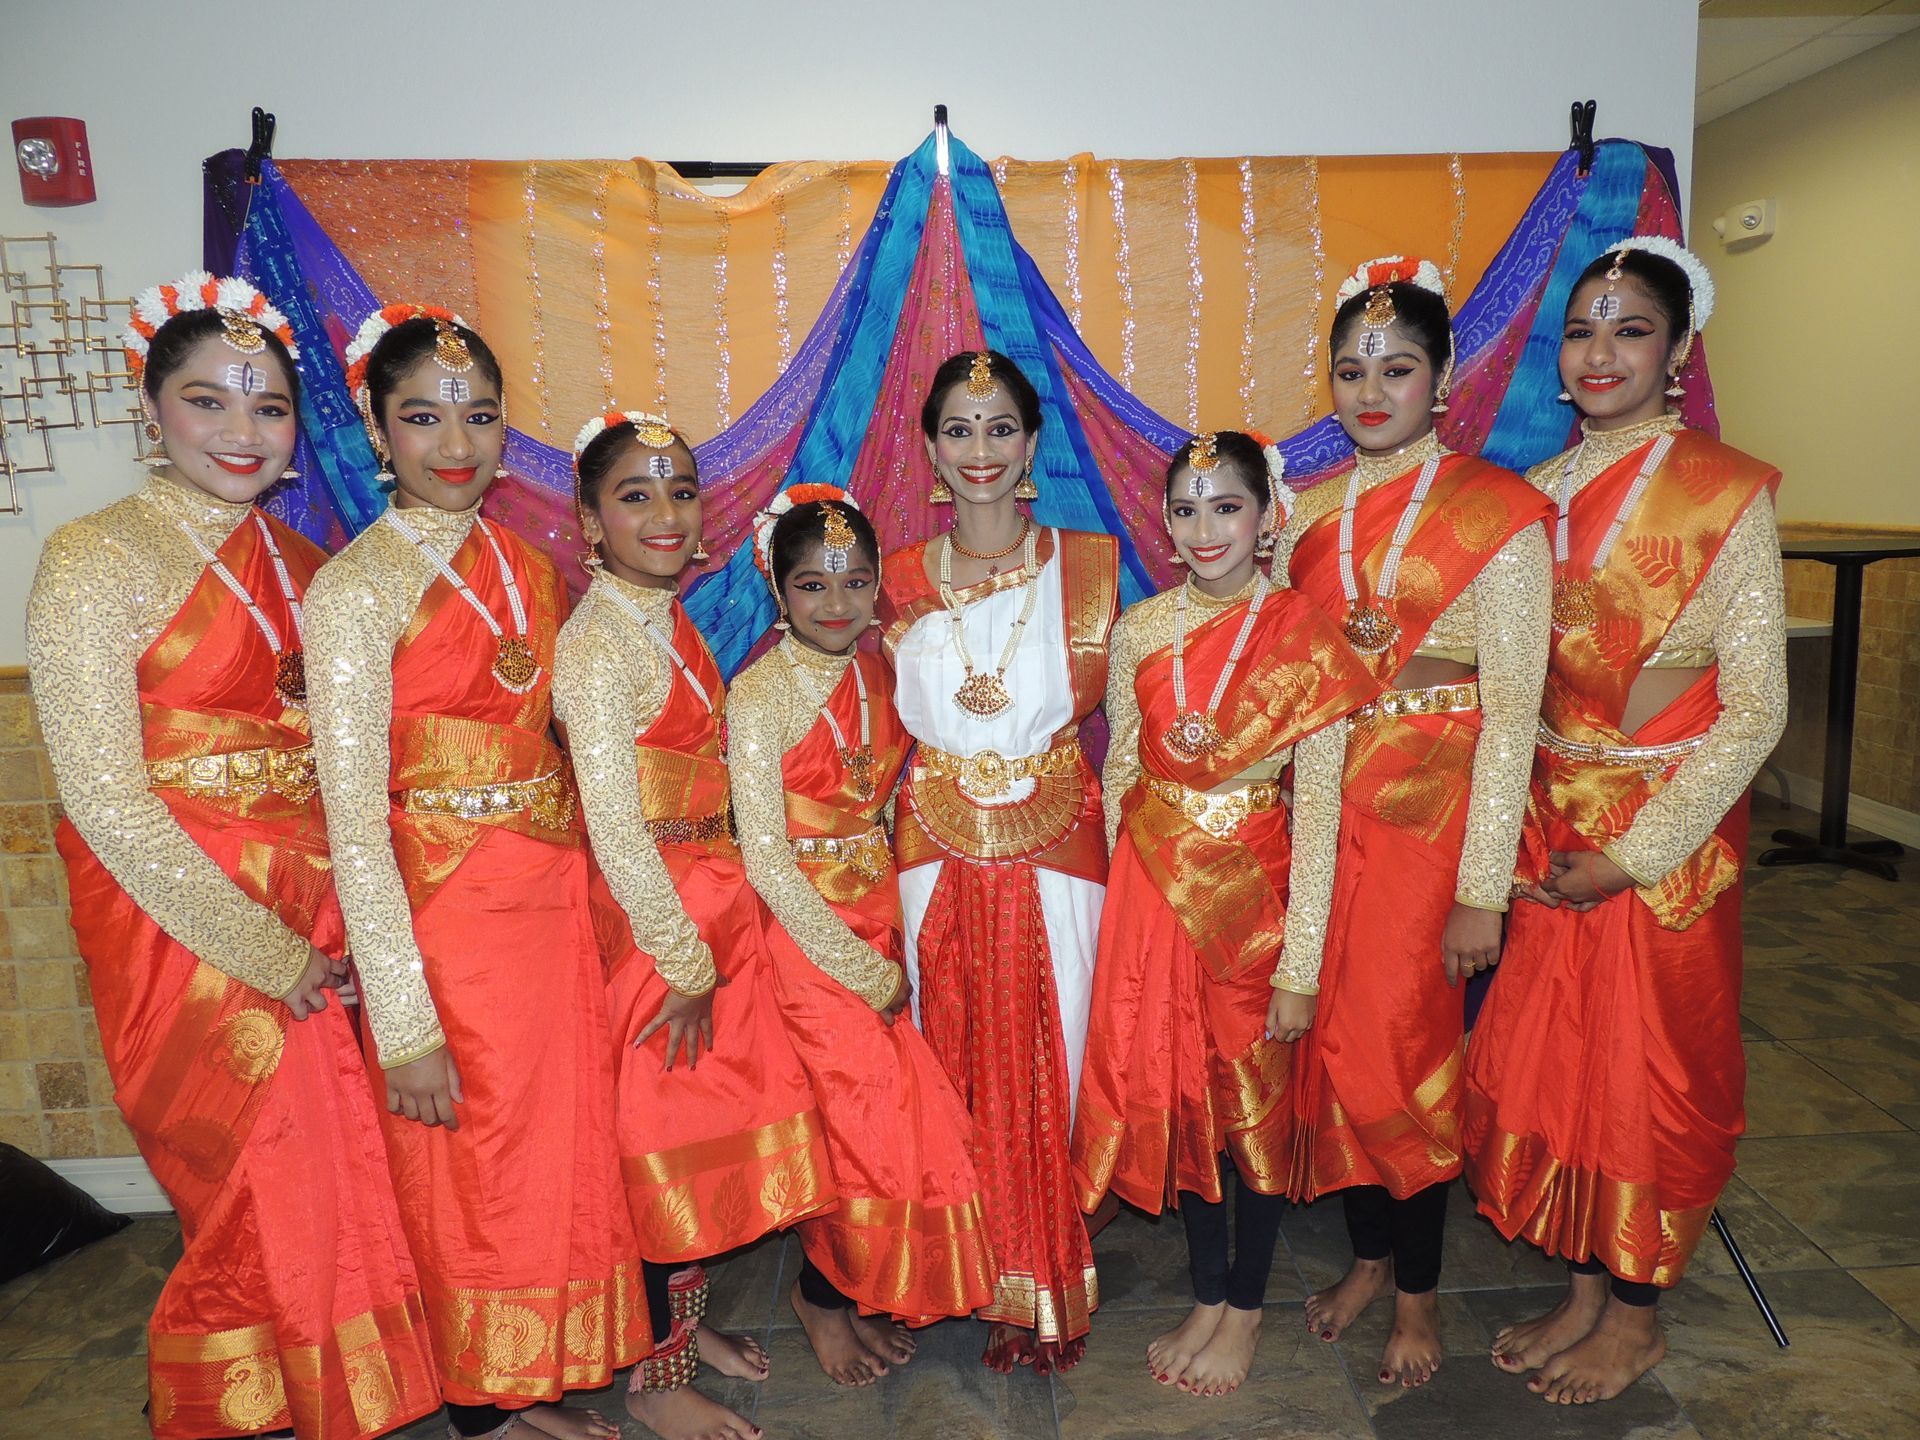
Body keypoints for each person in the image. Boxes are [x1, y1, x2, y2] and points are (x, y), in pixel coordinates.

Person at [27, 273, 440, 1440]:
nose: (242, 432)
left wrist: (347, 925)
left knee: (329, 1179)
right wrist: (264, 952)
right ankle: (228, 1406)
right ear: (150, 408)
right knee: (249, 1186)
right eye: (209, 402)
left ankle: (328, 1399)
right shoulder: (91, 559)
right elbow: (109, 800)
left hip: (318, 908)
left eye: (268, 408)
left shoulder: (306, 566)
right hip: (186, 930)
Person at [304, 309, 644, 1440]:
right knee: (462, 1157)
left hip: (546, 907)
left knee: (551, 1153)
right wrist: (401, 1020)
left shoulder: (530, 567)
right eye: (423, 416)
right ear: (375, 428)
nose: (456, 441)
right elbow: (353, 822)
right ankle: (479, 1406)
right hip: (441, 922)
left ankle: (528, 1378)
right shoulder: (353, 593)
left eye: (481, 415)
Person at [1463, 236, 1786, 1405]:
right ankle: (1589, 1289)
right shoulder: (1531, 496)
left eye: (1631, 329)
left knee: (1654, 1070)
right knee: (1565, 1068)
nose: (1602, 352)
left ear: (1679, 350)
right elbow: (1510, 692)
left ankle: (1637, 1313)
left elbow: (1755, 710)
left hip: (1662, 841)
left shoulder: (1725, 493)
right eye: (1583, 330)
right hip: (1553, 825)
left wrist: (1639, 855)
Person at [1272, 257, 1552, 1388]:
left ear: (1443, 380)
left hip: (1434, 826)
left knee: (1404, 1054)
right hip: (1325, 809)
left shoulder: (1500, 512)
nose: (1371, 388)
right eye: (1351, 370)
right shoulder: (1311, 514)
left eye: (1397, 366)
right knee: (1335, 1053)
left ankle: (1422, 1296)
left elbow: (1516, 708)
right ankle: (1371, 1260)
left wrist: (1484, 882)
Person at [1071, 432, 1373, 1397]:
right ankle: (1208, 1291)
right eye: (1188, 510)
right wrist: (1128, 909)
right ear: (1164, 521)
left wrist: (1301, 962)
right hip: (1158, 896)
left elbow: (1320, 811)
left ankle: (1246, 1307)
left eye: (1228, 507)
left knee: (1257, 1104)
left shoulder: (1303, 634)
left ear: (1268, 515)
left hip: (1258, 895)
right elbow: (1123, 771)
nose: (1208, 529)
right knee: (1185, 1095)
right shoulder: (1141, 631)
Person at [552, 410, 833, 1440]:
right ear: (589, 519)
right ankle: (657, 1377)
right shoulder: (594, 646)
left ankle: (687, 1325)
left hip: (706, 916)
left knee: (702, 1142)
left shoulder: (657, 620)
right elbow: (616, 830)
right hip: (657, 932)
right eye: (635, 495)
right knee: (662, 1147)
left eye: (677, 492)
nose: (664, 514)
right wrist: (683, 958)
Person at [879, 350, 1119, 1373]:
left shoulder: (1093, 565)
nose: (982, 450)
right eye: (960, 430)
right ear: (931, 447)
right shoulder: (888, 579)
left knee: (1060, 1052)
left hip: (1058, 834)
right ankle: (969, 1264)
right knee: (944, 1044)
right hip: (930, 845)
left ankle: (1044, 1261)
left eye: (1002, 428)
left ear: (1032, 442)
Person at [726, 485, 997, 1384]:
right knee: (866, 1121)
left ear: (879, 585)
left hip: (884, 911)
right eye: (812, 585)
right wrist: (855, 967)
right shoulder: (758, 694)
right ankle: (822, 1297)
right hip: (803, 937)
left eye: (853, 583)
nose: (836, 604)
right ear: (779, 590)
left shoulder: (885, 673)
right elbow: (765, 859)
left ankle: (839, 1292)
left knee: (873, 1120)